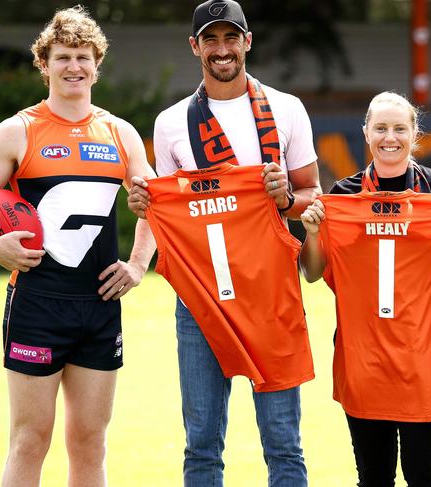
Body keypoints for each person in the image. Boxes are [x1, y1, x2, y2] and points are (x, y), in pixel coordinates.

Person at [0, 6, 156, 486]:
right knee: (29, 439)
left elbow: (156, 206)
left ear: (97, 64)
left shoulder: (120, 133)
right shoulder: (17, 131)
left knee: (90, 442)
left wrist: (139, 264)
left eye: (83, 56)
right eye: (62, 56)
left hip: (100, 306)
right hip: (37, 303)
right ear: (44, 64)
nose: (73, 67)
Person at [127, 1, 321, 484]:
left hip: (271, 293)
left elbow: (314, 196)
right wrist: (145, 205)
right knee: (202, 446)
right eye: (210, 39)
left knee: (283, 443)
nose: (221, 49)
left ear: (247, 42)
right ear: (194, 47)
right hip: (201, 298)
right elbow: (171, 211)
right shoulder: (172, 122)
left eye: (230, 37)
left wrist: (285, 200)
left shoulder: (286, 108)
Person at [299, 91, 431, 487]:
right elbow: (313, 273)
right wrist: (312, 234)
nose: (389, 137)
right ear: (366, 133)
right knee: (373, 479)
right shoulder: (343, 196)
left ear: (415, 133)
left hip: (423, 362)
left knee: (425, 478)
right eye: (380, 128)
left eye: (400, 128)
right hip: (365, 363)